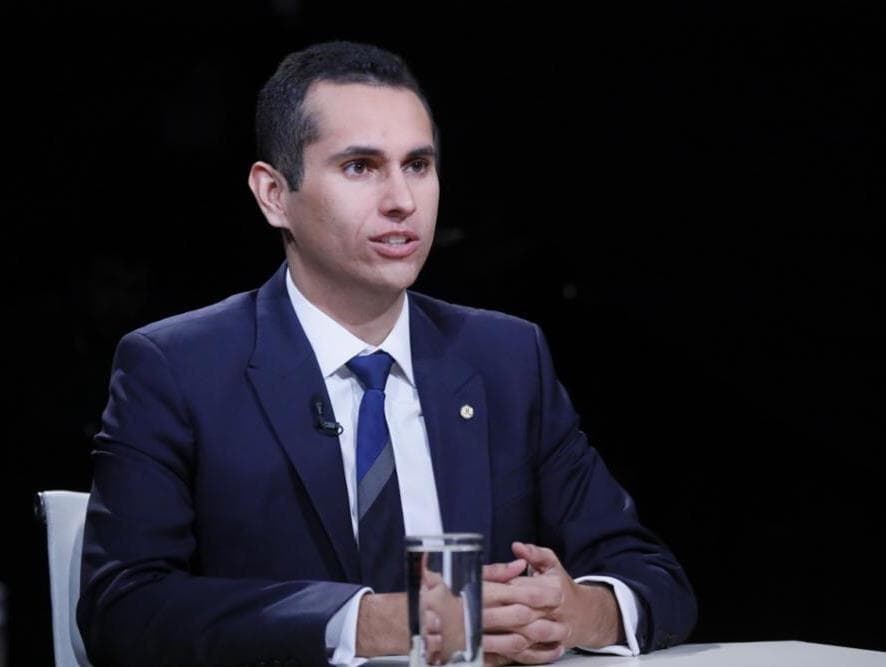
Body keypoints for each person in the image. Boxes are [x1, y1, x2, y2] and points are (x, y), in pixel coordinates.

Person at [77, 40, 696, 666]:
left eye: (418, 165)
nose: (402, 200)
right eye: (360, 167)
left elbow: (655, 578)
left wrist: (577, 610)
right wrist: (382, 624)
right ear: (273, 194)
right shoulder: (177, 369)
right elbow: (122, 610)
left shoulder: (506, 358)